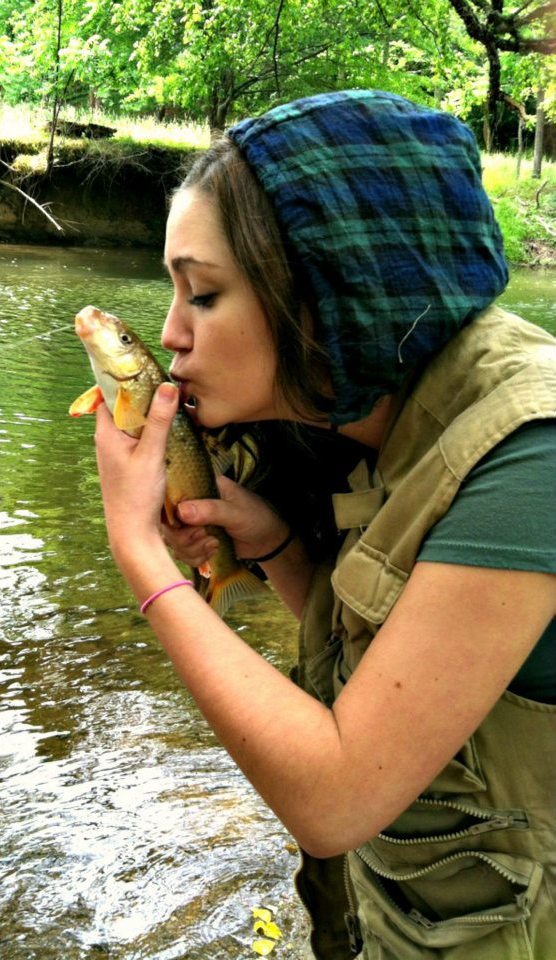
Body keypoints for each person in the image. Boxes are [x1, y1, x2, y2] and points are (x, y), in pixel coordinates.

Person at [91, 90, 556, 958]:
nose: (169, 334)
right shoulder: (369, 413)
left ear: (333, 290)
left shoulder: (535, 459)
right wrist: (271, 542)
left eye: (203, 294)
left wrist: (139, 554)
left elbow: (338, 797)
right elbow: (391, 670)